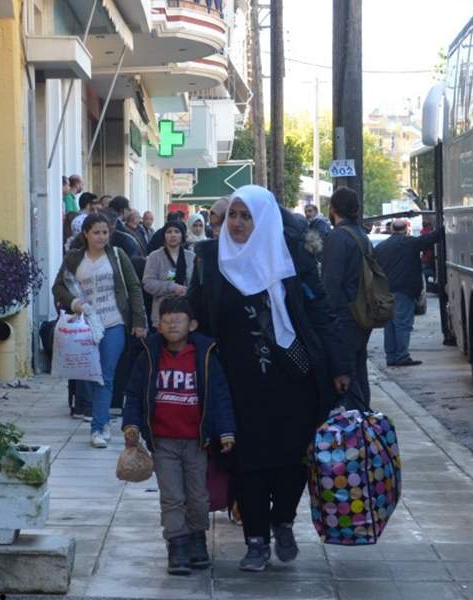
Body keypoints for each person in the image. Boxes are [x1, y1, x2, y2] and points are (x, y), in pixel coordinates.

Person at [187, 185, 349, 572]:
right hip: (237, 384)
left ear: (264, 220)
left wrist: (340, 365)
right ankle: (256, 540)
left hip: (291, 380)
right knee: (247, 463)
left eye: (247, 216)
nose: (238, 223)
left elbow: (320, 311)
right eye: (233, 215)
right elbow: (197, 316)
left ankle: (284, 521)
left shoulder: (289, 256)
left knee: (293, 460)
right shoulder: (211, 260)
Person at [123, 297, 236, 576]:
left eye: (179, 319)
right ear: (158, 326)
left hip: (197, 442)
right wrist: (131, 424)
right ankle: (177, 545)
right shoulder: (148, 356)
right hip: (163, 441)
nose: (173, 324)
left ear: (192, 325)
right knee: (172, 496)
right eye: (167, 320)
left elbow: (220, 395)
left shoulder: (205, 356)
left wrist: (226, 430)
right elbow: (134, 394)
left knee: (198, 496)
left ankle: (197, 539)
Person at [52, 214, 147, 447]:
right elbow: (58, 287)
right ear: (86, 233)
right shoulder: (74, 258)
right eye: (96, 232)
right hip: (84, 326)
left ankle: (98, 427)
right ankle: (99, 420)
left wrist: (139, 321)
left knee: (105, 375)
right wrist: (75, 303)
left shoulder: (117, 255)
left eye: (105, 232)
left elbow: (134, 287)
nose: (101, 237)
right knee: (89, 375)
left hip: (113, 322)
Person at [320, 186, 373, 406]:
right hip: (361, 316)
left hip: (343, 319)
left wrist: (324, 321)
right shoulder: (361, 236)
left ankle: (358, 422)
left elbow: (330, 285)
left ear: (332, 209)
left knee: (347, 381)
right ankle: (366, 421)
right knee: (359, 374)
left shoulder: (337, 238)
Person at [374, 219, 441, 367]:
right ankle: (402, 356)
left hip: (385, 292)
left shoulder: (381, 247)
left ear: (391, 230)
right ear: (406, 229)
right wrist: (446, 226)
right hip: (404, 290)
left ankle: (391, 357)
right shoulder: (411, 243)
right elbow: (430, 238)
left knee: (389, 326)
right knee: (402, 324)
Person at [143, 220, 195, 327]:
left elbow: (196, 284)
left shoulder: (191, 257)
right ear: (164, 235)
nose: (173, 235)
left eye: (177, 231)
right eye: (169, 232)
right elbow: (147, 283)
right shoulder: (154, 257)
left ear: (182, 235)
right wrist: (172, 287)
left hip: (186, 311)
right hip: (162, 313)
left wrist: (187, 291)